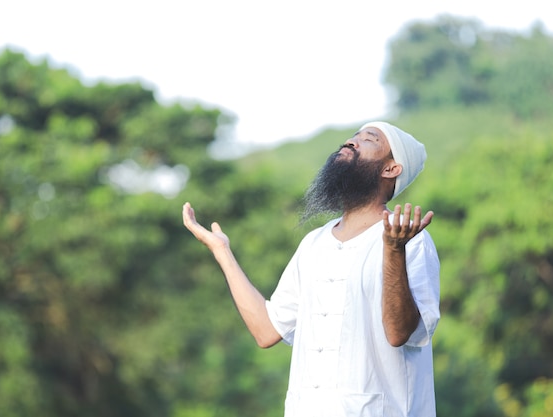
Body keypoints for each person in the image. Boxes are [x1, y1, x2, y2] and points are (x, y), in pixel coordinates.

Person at [182, 121, 440, 417]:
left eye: (368, 139)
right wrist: (222, 251)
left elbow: (399, 334)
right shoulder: (313, 244)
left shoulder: (411, 240)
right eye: (352, 136)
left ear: (391, 169)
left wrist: (393, 250)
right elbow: (267, 331)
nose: (351, 142)